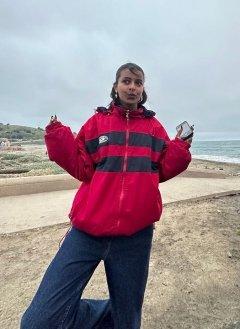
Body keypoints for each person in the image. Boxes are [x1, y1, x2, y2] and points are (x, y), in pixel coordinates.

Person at [20, 63, 192, 329]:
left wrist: (180, 147)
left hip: (136, 237)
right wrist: (58, 138)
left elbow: (163, 169)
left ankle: (121, 309)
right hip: (87, 232)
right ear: (115, 86)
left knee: (128, 321)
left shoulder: (154, 128)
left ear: (143, 89)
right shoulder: (97, 123)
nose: (132, 87)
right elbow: (81, 167)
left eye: (138, 82)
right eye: (126, 81)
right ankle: (106, 310)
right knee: (38, 321)